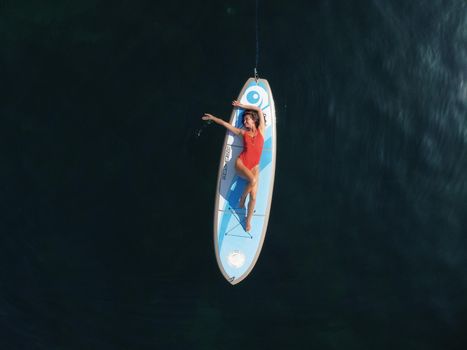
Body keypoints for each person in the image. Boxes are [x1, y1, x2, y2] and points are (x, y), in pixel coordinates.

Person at [202, 100, 265, 232]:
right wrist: (213, 118)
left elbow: (258, 109)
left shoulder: (261, 131)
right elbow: (226, 124)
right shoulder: (243, 133)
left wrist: (242, 106)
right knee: (252, 181)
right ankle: (242, 199)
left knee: (254, 197)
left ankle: (248, 221)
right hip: (241, 164)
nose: (245, 122)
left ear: (254, 120)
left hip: (254, 167)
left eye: (247, 119)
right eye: (244, 120)